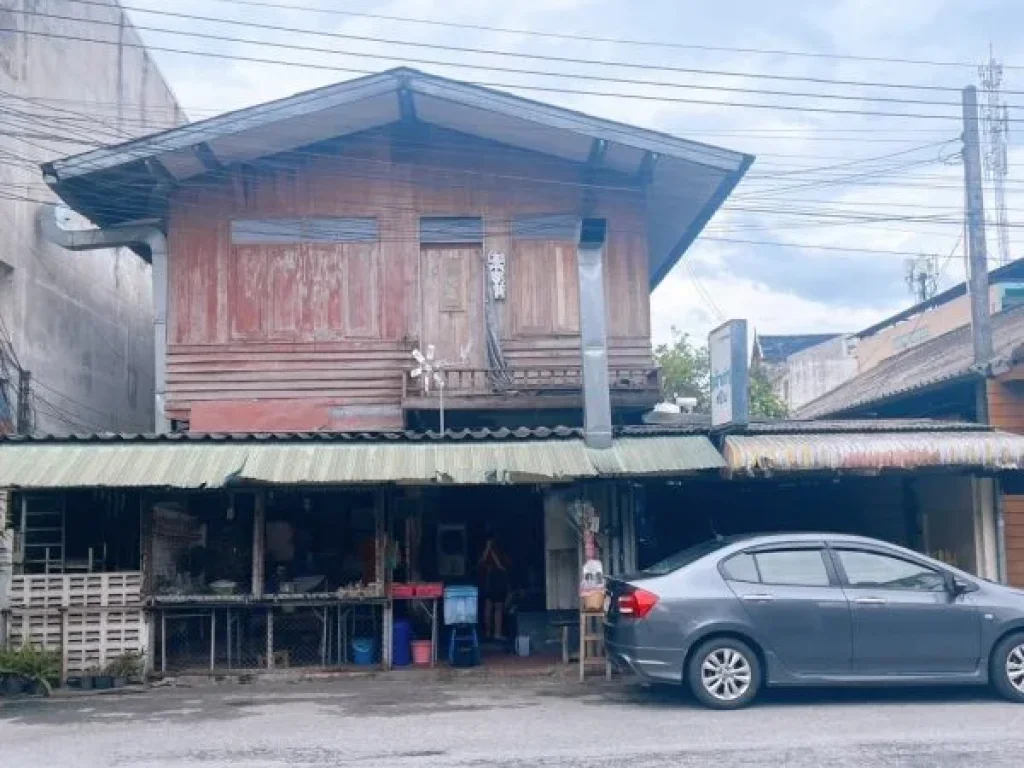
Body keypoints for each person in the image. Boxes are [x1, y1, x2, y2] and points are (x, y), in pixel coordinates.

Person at [478, 531, 510, 640]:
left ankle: (497, 633)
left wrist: (493, 553)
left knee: (498, 608)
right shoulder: (486, 552)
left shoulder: (500, 552)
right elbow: (481, 562)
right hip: (489, 581)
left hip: (498, 581)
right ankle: (488, 633)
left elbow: (502, 567)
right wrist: (488, 549)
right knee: (489, 607)